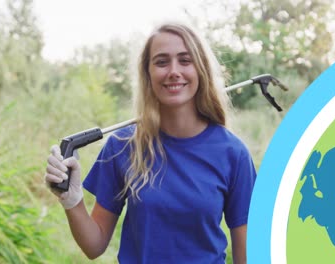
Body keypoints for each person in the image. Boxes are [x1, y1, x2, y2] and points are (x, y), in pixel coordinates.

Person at [45, 22, 257, 264]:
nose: (174, 71)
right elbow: (94, 245)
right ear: (148, 73)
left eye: (185, 60)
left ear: (201, 70)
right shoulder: (122, 146)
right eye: (162, 61)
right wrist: (72, 201)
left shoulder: (233, 154)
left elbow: (246, 256)